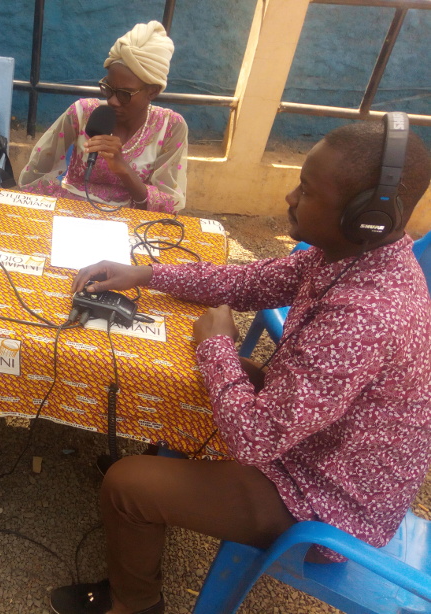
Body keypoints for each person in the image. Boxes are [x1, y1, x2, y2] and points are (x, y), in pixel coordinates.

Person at [50, 117, 431, 614]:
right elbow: (246, 284)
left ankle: (135, 603)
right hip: (318, 447)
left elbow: (254, 440)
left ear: (365, 216)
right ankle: (165, 471)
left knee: (126, 485)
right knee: (198, 375)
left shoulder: (367, 317)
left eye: (307, 191)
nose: (291, 199)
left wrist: (217, 346)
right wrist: (143, 272)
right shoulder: (348, 254)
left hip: (325, 504)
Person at [18, 21, 187, 213]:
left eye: (125, 94)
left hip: (133, 223)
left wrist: (123, 169)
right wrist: (60, 208)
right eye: (108, 89)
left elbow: (167, 205)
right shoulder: (82, 113)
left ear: (153, 92)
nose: (113, 101)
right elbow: (35, 175)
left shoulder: (171, 127)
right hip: (70, 213)